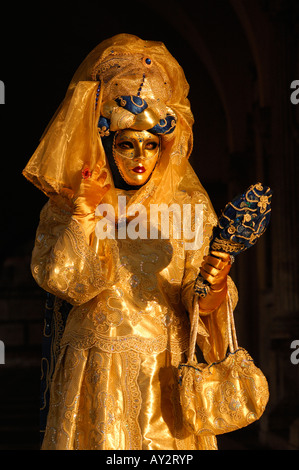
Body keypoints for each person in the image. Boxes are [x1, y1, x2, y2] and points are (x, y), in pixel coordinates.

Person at [23, 34, 238, 450]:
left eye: (152, 144)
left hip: (167, 374)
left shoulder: (189, 205)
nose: (141, 157)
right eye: (126, 144)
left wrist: (212, 291)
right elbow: (67, 283)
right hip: (95, 373)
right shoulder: (70, 202)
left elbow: (201, 302)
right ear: (106, 141)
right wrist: (84, 214)